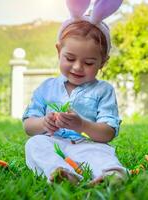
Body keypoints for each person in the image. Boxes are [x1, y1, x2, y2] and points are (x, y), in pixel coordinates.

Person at [23, 0, 127, 185]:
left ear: (103, 61)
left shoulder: (103, 90)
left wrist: (82, 125)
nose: (77, 67)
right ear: (58, 51)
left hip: (87, 145)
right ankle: (60, 173)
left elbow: (108, 133)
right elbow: (29, 127)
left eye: (89, 63)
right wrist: (44, 123)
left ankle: (112, 176)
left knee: (102, 153)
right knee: (34, 145)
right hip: (53, 143)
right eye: (70, 58)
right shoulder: (46, 87)